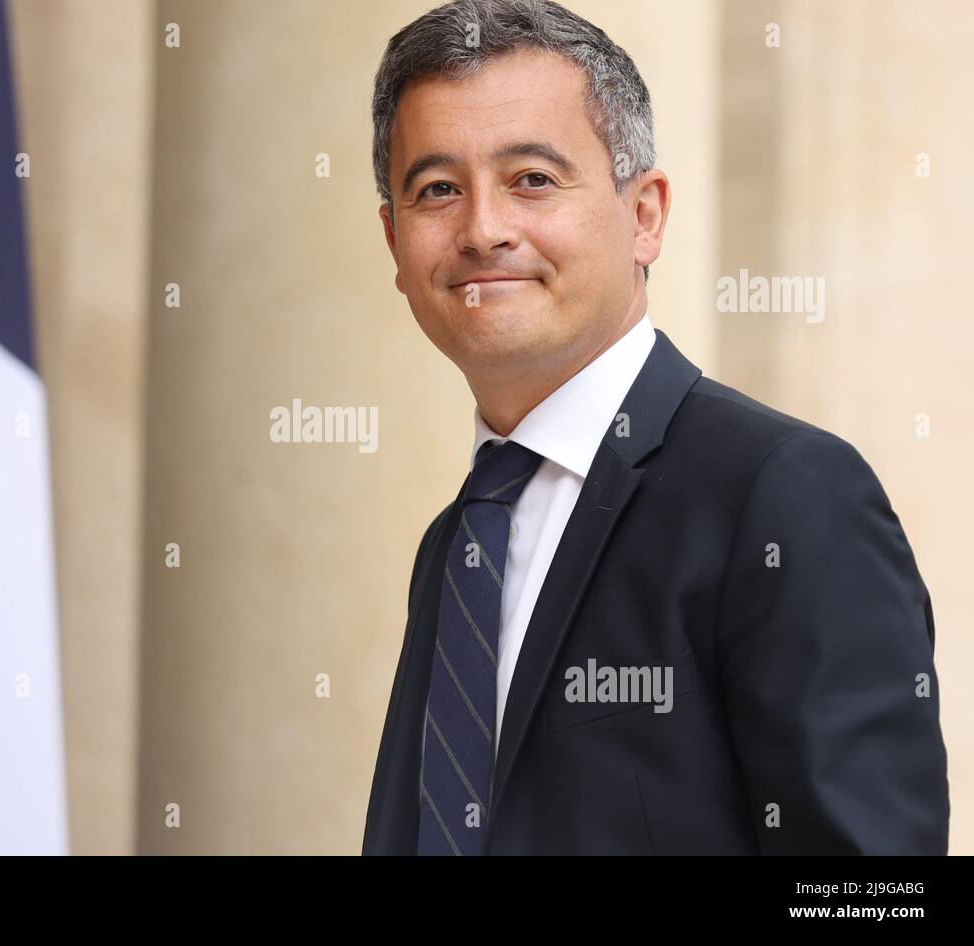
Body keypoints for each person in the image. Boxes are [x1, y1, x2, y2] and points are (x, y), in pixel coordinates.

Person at [361, 0, 948, 855]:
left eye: (532, 179)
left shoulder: (782, 495)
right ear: (394, 240)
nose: (483, 230)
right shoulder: (454, 547)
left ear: (645, 216)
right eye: (438, 190)